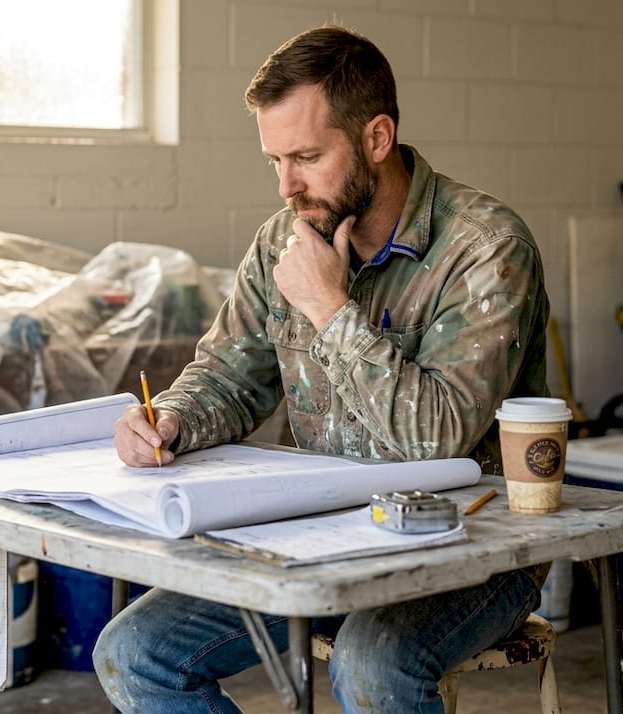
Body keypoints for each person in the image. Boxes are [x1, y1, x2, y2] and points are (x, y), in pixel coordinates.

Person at [92, 23, 551, 714]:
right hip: (324, 533)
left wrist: (330, 309)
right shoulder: (284, 236)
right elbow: (229, 373)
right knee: (135, 654)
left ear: (376, 138)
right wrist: (175, 419)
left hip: (473, 546)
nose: (286, 185)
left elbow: (438, 438)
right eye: (273, 160)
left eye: (306, 156)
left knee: (372, 665)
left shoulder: (486, 248)